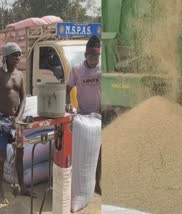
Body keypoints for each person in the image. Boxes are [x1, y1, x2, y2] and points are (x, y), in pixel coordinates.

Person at [0, 42, 34, 204]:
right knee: (2, 156)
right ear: (7, 57)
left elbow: (24, 98)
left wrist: (19, 117)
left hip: (16, 121)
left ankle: (23, 187)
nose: (18, 57)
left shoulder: (20, 75)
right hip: (1, 120)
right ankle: (0, 191)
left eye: (19, 55)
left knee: (20, 153)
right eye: (15, 55)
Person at [65, 35, 102, 195]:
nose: (94, 59)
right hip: (82, 116)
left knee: (99, 151)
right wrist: (68, 104)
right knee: (80, 150)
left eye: (97, 56)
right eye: (91, 56)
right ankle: (77, 182)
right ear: (86, 55)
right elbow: (67, 89)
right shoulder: (77, 69)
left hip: (98, 116)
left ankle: (97, 184)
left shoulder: (102, 69)